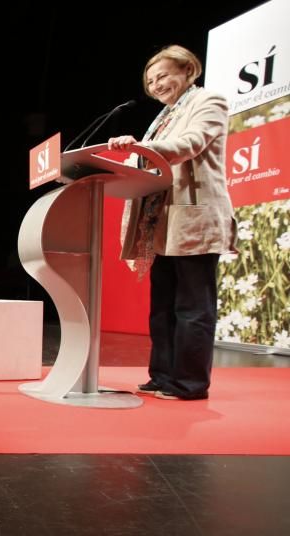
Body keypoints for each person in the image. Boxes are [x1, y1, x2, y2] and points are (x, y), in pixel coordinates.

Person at [108, 45, 237, 401]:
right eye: (151, 81)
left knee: (192, 307)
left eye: (163, 75)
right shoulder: (165, 115)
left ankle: (190, 384)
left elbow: (191, 144)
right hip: (161, 221)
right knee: (163, 305)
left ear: (187, 70)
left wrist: (142, 149)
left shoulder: (209, 101)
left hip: (194, 218)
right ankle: (162, 376)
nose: (157, 84)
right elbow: (150, 160)